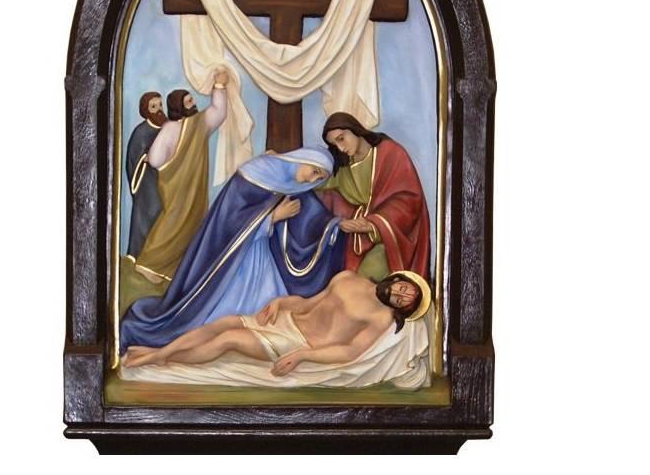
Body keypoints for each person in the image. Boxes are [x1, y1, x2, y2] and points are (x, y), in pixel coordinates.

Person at [120, 146, 346, 353]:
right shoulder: (255, 172)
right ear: (303, 158)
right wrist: (272, 218)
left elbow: (314, 218)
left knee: (264, 317)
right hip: (232, 262)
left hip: (261, 257)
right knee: (219, 319)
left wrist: (336, 226)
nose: (312, 179)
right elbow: (229, 221)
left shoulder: (296, 185)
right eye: (314, 171)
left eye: (319, 178)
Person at [122, 269, 430, 375]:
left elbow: (350, 351)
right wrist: (280, 303)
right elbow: (308, 303)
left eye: (405, 300)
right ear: (397, 279)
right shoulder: (349, 277)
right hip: (288, 320)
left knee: (228, 340)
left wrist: (303, 355)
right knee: (222, 323)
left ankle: (155, 357)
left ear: (401, 310)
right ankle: (159, 354)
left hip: (297, 342)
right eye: (404, 288)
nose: (399, 294)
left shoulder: (381, 317)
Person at [133, 70, 229, 283]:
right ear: (179, 106)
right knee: (173, 222)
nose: (193, 104)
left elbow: (155, 160)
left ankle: (174, 267)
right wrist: (219, 87)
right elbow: (218, 112)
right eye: (189, 101)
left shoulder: (190, 125)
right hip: (178, 184)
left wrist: (220, 86)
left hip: (185, 184)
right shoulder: (189, 126)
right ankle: (149, 263)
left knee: (188, 223)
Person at [318, 112, 431, 281]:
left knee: (363, 280)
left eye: (341, 138)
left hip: (391, 238)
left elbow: (409, 200)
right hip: (356, 239)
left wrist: (372, 225)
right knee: (339, 278)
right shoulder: (343, 164)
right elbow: (320, 186)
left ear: (354, 129)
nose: (340, 147)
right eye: (335, 144)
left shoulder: (391, 153)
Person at [125, 91, 166, 259]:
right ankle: (139, 256)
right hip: (147, 184)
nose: (159, 110)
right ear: (146, 110)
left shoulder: (167, 128)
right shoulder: (141, 132)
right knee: (150, 213)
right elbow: (134, 159)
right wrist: (147, 158)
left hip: (165, 180)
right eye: (154, 106)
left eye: (160, 105)